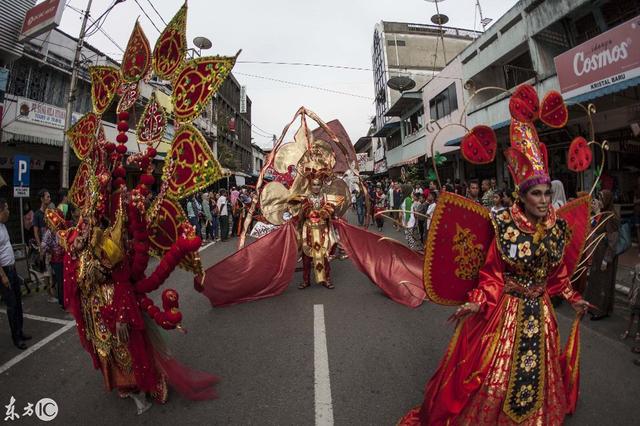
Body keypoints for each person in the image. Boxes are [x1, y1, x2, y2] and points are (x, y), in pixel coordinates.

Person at [400, 116, 591, 425]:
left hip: (541, 312)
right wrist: (478, 301)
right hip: (509, 311)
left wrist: (573, 297)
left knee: (541, 370)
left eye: (546, 193)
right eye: (536, 194)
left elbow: (557, 274)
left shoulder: (557, 229)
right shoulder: (503, 227)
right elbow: (492, 274)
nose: (543, 201)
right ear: (522, 196)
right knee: (494, 377)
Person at [295, 174, 341, 290]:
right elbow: (303, 213)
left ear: (321, 186)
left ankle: (326, 279)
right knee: (306, 257)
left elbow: (331, 211)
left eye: (318, 185)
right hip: (308, 231)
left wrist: (328, 213)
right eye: (314, 185)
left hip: (322, 231)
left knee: (323, 256)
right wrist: (309, 212)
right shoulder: (305, 198)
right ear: (310, 186)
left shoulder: (326, 198)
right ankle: (306, 281)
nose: (316, 187)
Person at [583, 189, 620, 320]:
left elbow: (613, 241)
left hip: (605, 255)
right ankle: (593, 308)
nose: (599, 201)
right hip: (598, 254)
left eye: (601, 199)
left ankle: (601, 311)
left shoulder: (611, 218)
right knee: (595, 281)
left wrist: (607, 259)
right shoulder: (603, 214)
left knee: (604, 283)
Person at [0, 198, 31, 350]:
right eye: (6, 208)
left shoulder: (3, 226)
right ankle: (16, 337)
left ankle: (20, 331)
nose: (8, 211)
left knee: (18, 302)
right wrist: (3, 276)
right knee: (12, 305)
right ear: (0, 211)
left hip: (12, 269)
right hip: (4, 272)